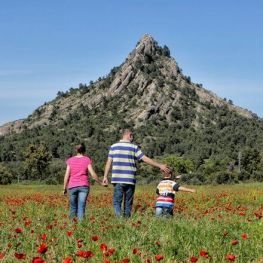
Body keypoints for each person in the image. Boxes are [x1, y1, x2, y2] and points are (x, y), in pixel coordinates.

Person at [103, 128, 170, 218]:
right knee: (128, 202)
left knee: (117, 202)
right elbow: (144, 158)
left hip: (117, 179)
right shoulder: (134, 147)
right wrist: (159, 165)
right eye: (132, 136)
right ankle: (126, 220)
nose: (132, 137)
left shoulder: (113, 146)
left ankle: (119, 220)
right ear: (129, 135)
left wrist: (105, 176)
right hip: (130, 179)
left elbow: (109, 162)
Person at [63, 143, 104, 220]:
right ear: (84, 150)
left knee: (73, 207)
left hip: (72, 186)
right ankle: (81, 225)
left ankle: (72, 225)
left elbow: (66, 176)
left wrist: (64, 188)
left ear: (76, 150)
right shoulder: (87, 159)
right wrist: (100, 182)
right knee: (81, 206)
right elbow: (93, 175)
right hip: (84, 186)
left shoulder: (70, 160)